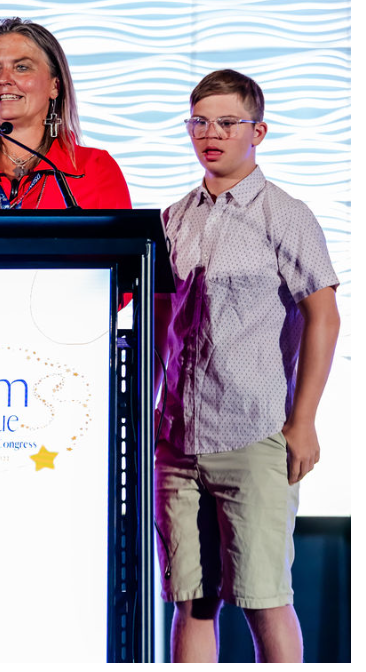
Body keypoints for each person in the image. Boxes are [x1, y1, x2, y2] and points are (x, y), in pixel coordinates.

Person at [153, 69, 340, 663]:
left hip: (252, 430)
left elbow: (324, 317)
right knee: (193, 600)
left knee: (264, 598)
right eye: (200, 123)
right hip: (177, 438)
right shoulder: (175, 216)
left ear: (256, 130)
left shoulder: (284, 214)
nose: (212, 134)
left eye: (228, 123)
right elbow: (166, 321)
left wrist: (303, 421)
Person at [0, 17, 131, 210]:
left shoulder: (95, 170)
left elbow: (120, 250)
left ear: (55, 86)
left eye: (21, 67)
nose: (3, 79)